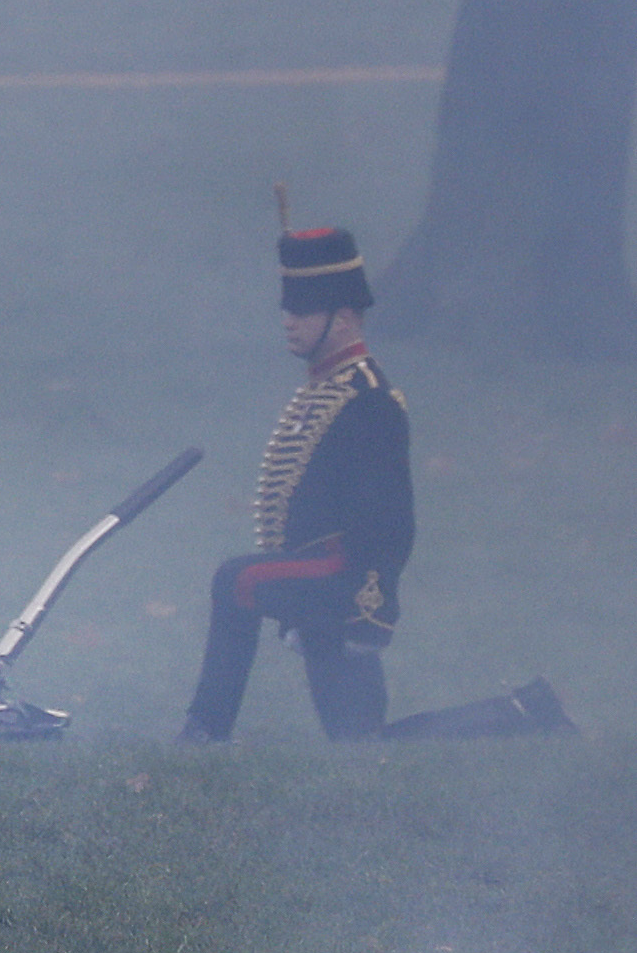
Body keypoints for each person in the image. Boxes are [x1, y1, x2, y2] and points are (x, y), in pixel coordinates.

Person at [176, 227, 573, 743]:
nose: (288, 322)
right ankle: (524, 713)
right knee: (362, 751)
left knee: (237, 581)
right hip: (318, 588)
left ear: (341, 319)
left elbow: (389, 523)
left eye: (302, 311)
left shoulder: (369, 402)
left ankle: (202, 737)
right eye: (288, 310)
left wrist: (369, 608)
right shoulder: (329, 390)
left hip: (341, 586)